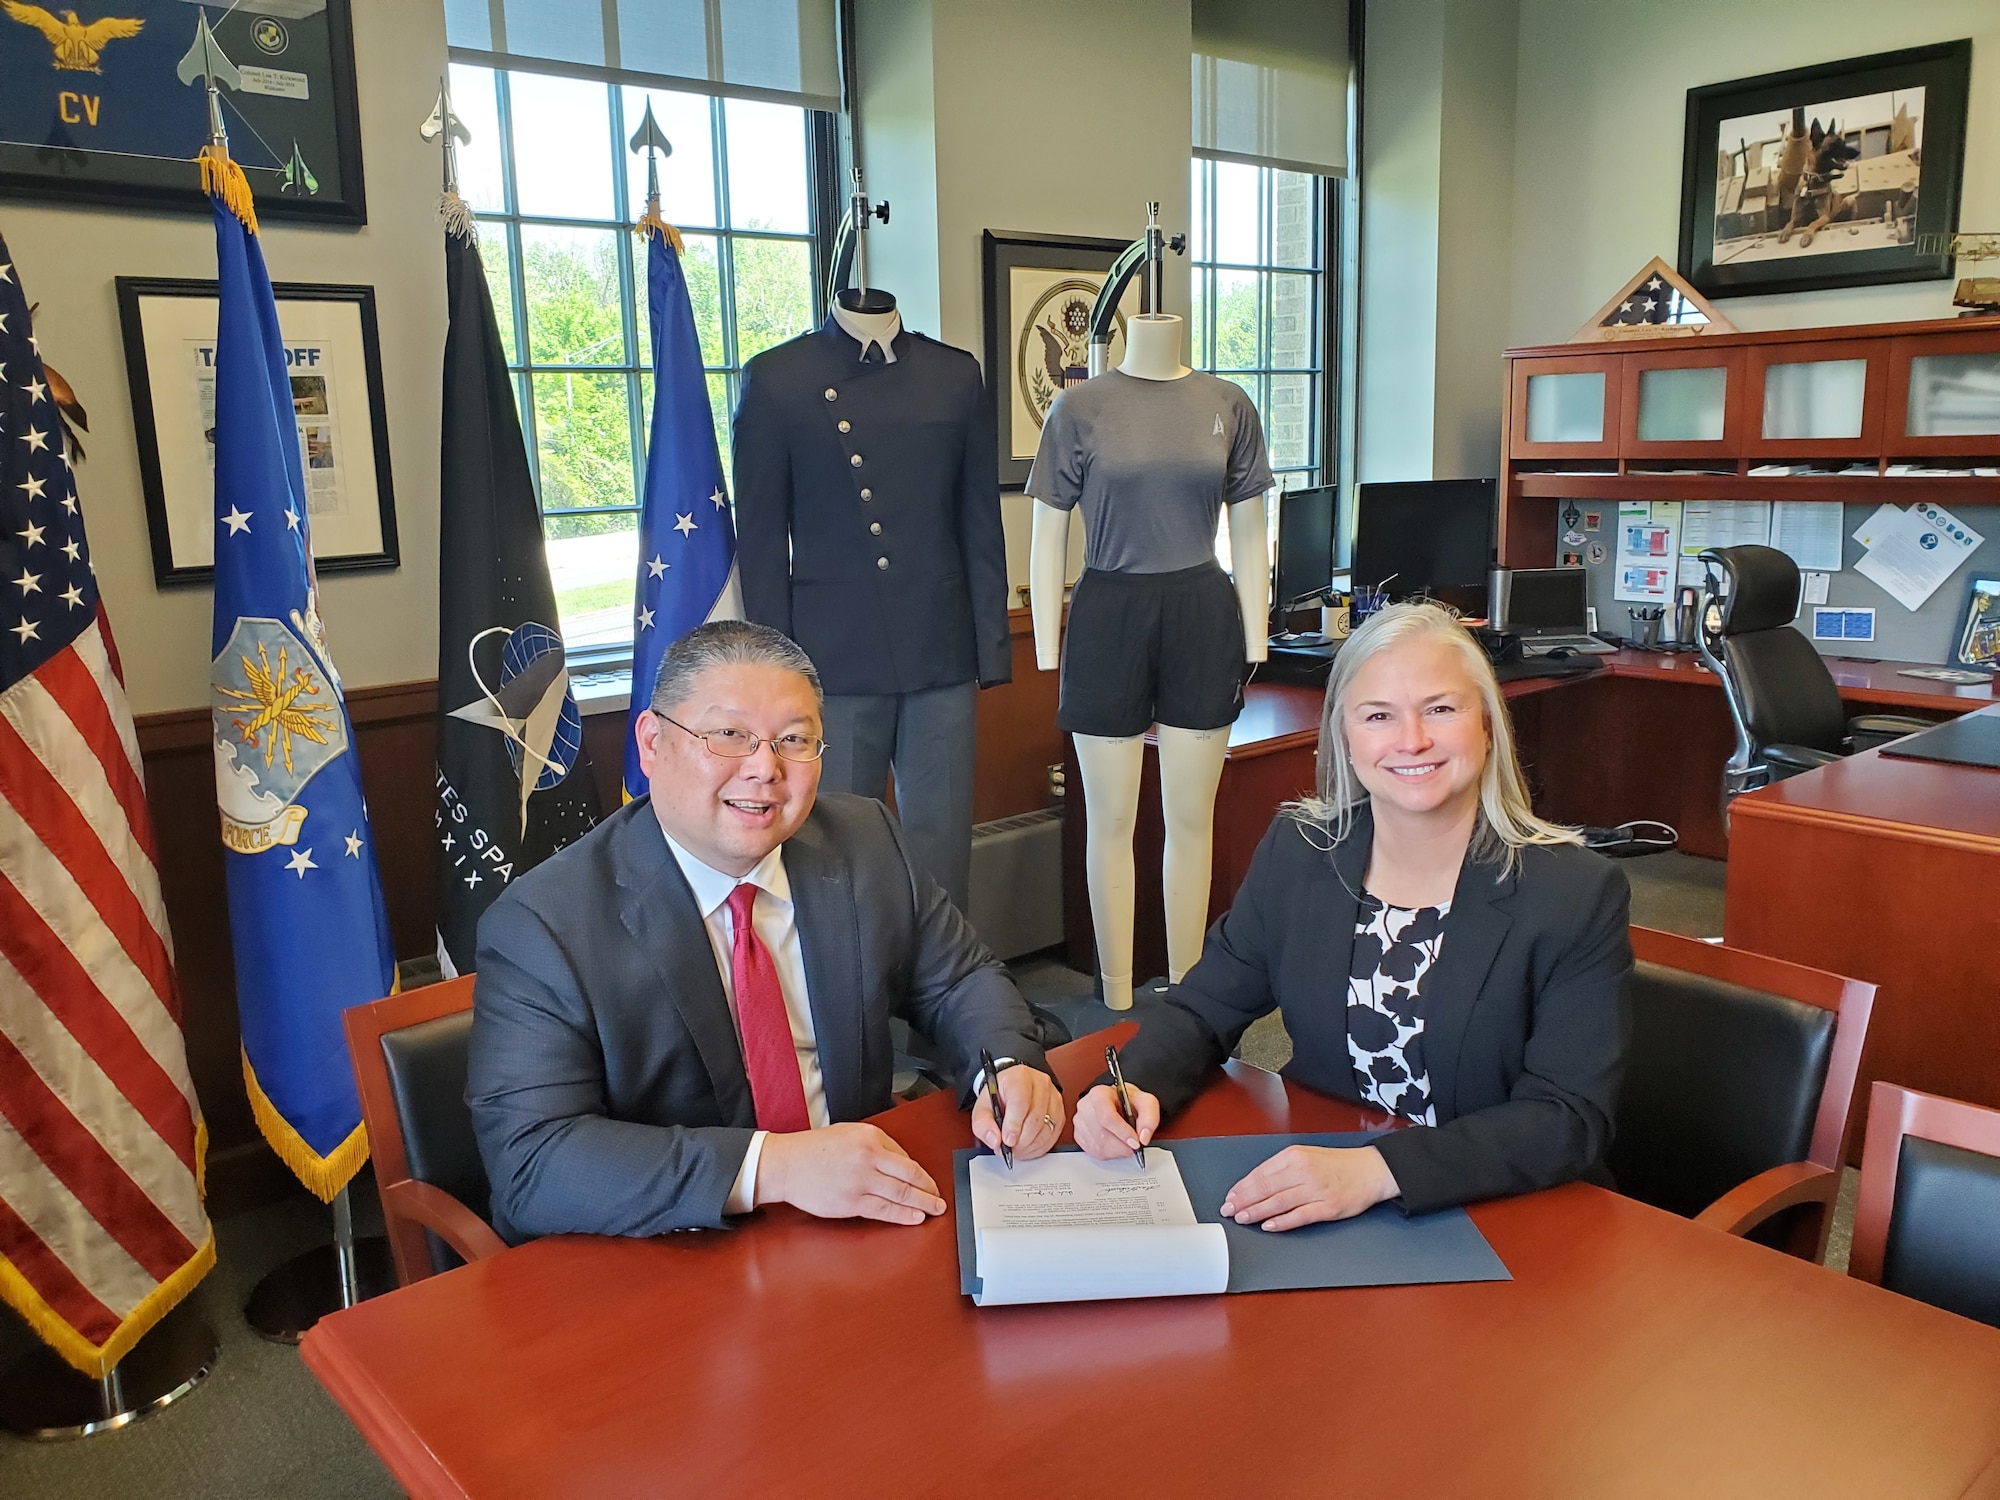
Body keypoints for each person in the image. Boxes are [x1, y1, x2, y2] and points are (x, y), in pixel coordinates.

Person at [469, 620, 1066, 1243]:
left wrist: (1004, 1065)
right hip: (676, 1249)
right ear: (651, 744)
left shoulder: (865, 840)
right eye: (729, 735)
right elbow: (533, 1163)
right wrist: (772, 1168)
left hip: (862, 1218)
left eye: (794, 740)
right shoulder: (545, 923)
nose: (765, 769)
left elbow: (957, 979)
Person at [1074, 601, 1633, 1228]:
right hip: (1328, 1190)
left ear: (1488, 726)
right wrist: (1128, 1084)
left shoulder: (1574, 893)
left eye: (1441, 709)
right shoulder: (1301, 853)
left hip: (1501, 1210)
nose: (1412, 739)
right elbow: (1206, 1007)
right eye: (1378, 716)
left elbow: (1567, 1116)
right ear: (1344, 734)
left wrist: (1379, 1170)